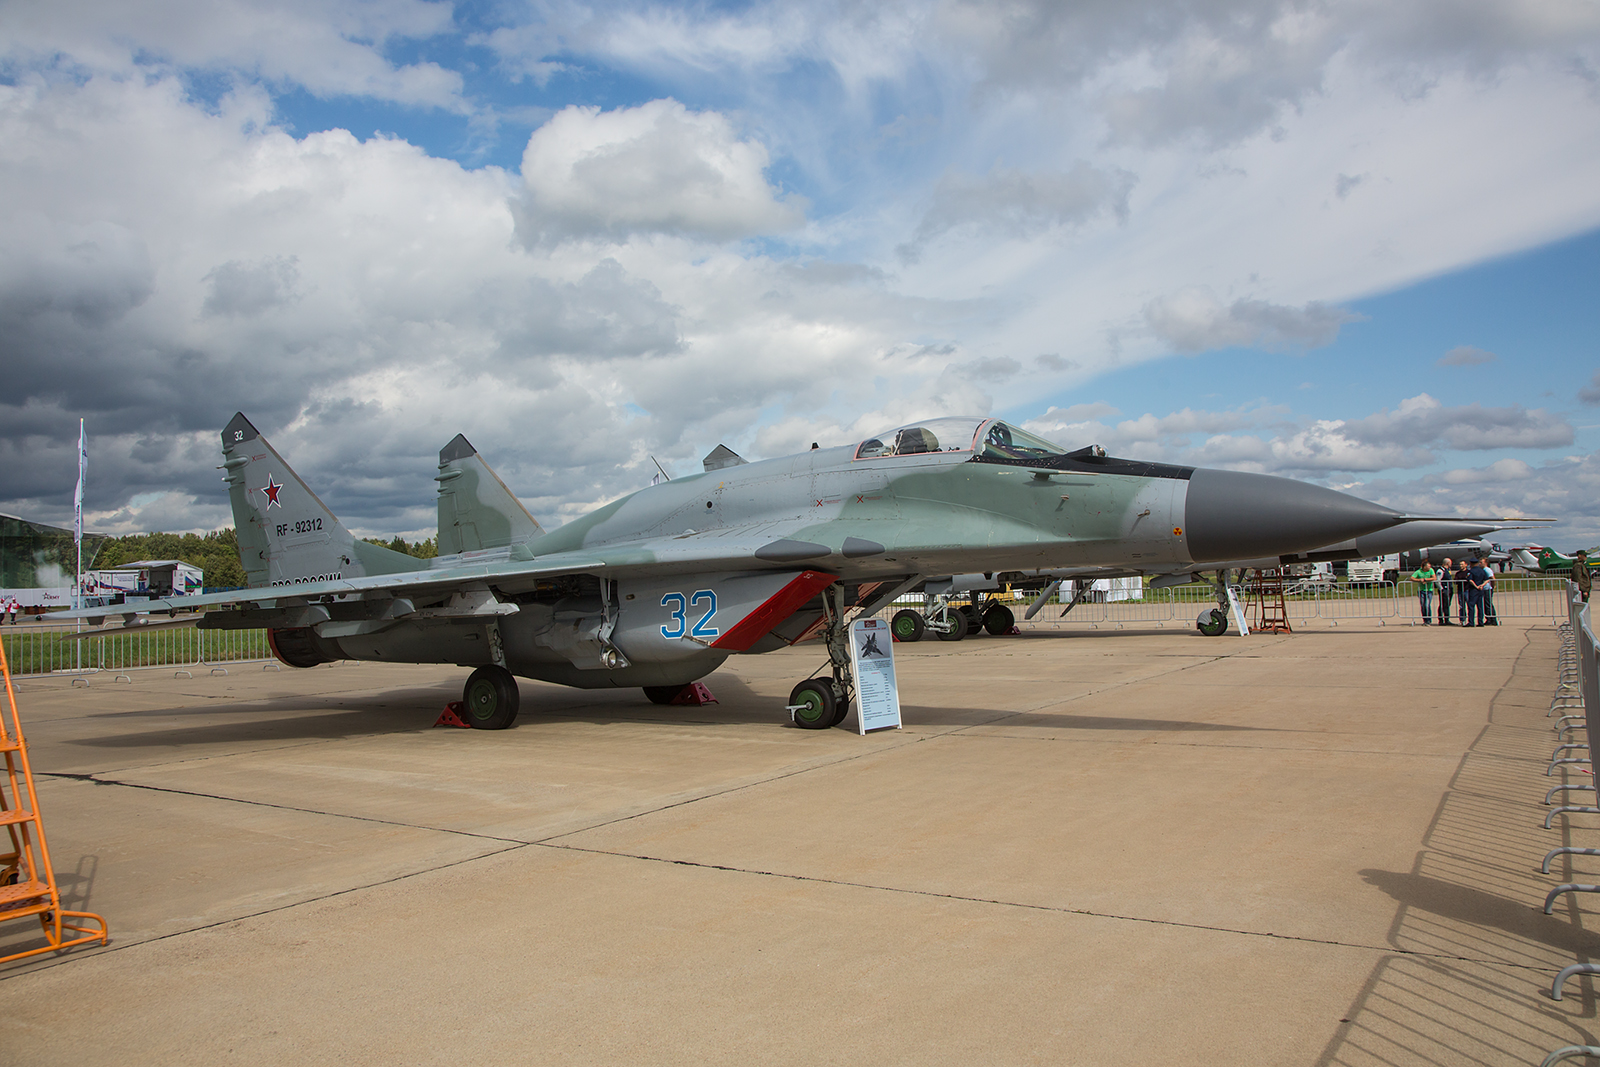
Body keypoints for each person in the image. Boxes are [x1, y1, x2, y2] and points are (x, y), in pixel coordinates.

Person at [1467, 558, 1493, 626]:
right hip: (1480, 590)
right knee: (1480, 606)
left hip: (1473, 590)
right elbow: (1487, 580)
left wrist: (1476, 586)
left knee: (1471, 605)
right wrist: (1482, 585)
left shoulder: (1471, 571)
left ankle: (1471, 622)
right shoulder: (1482, 571)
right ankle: (1480, 622)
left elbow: (1470, 580)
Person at [1454, 559, 1472, 625]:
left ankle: (1470, 619)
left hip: (1467, 590)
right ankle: (1462, 619)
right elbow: (1456, 581)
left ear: (1466, 565)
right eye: (1460, 564)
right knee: (1461, 606)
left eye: (1462, 564)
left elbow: (1469, 579)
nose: (1461, 566)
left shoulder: (1469, 572)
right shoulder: (1458, 573)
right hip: (1460, 590)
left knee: (1469, 605)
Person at [1437, 556, 1454, 624]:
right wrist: (1441, 589)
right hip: (1444, 589)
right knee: (1443, 604)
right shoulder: (1440, 571)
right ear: (1447, 563)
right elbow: (1438, 581)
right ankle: (1441, 619)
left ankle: (1447, 618)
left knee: (1447, 604)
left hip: (1449, 589)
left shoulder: (1448, 570)